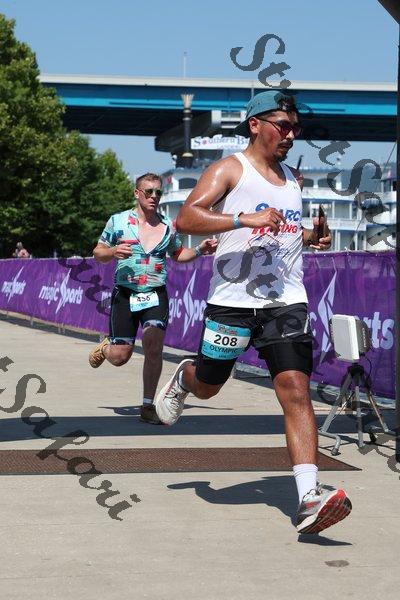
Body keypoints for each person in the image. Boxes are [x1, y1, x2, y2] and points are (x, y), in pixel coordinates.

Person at [154, 91, 352, 535]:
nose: (291, 134)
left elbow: (282, 228)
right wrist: (242, 219)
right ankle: (186, 377)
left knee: (295, 389)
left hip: (285, 300)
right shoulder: (229, 169)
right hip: (232, 302)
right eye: (283, 125)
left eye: (296, 127)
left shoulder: (293, 178)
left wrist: (311, 237)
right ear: (255, 124)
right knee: (209, 387)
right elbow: (187, 219)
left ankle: (309, 497)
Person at [89, 172, 217, 424]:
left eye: (158, 192)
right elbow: (98, 253)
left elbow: (178, 254)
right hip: (125, 293)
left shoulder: (168, 226)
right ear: (137, 193)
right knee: (120, 357)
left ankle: (148, 406)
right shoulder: (118, 221)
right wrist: (113, 251)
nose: (154, 196)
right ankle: (105, 347)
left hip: (155, 294)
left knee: (154, 347)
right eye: (149, 192)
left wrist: (200, 250)